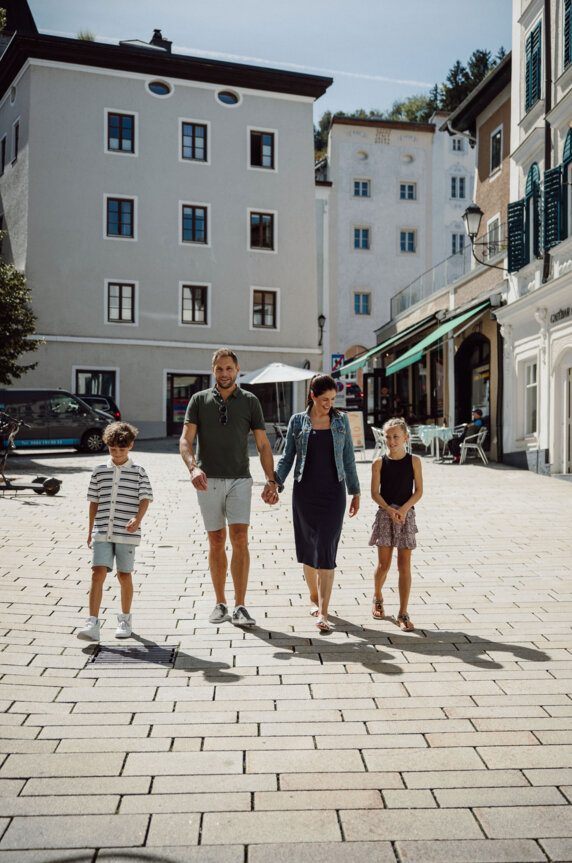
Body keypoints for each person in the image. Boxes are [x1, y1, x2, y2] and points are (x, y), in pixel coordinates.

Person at [179, 348, 278, 627]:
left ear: (237, 370)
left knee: (240, 539)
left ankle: (241, 605)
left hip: (239, 479)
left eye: (229, 368)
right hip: (207, 480)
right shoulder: (198, 400)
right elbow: (185, 441)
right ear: (213, 370)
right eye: (219, 368)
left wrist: (271, 480)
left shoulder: (250, 401)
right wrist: (193, 467)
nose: (224, 373)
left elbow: (262, 445)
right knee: (216, 541)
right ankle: (220, 603)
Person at [275, 374, 360, 632]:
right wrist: (274, 482)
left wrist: (355, 492)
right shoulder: (297, 421)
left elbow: (348, 458)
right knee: (308, 547)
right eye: (325, 400)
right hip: (304, 492)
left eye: (333, 399)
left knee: (326, 548)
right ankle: (313, 596)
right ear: (312, 396)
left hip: (334, 492)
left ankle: (323, 611)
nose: (329, 404)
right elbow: (287, 457)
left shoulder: (341, 420)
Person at [78, 422, 153, 641]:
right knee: (97, 573)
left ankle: (125, 619)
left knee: (124, 575)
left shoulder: (139, 472)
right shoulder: (99, 471)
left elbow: (145, 499)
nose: (117, 453)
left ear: (130, 445)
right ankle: (92, 623)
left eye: (121, 449)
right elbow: (94, 501)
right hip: (102, 530)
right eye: (112, 449)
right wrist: (91, 530)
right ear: (107, 446)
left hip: (126, 533)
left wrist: (137, 519)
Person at [369, 417, 423, 631]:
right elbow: (374, 492)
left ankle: (403, 612)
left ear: (405, 438)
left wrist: (403, 509)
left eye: (396, 437)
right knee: (384, 565)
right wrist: (390, 510)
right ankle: (378, 596)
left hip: (406, 515)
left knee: (404, 566)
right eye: (388, 437)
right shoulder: (379, 463)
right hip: (385, 515)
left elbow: (419, 491)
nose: (391, 441)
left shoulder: (414, 461)